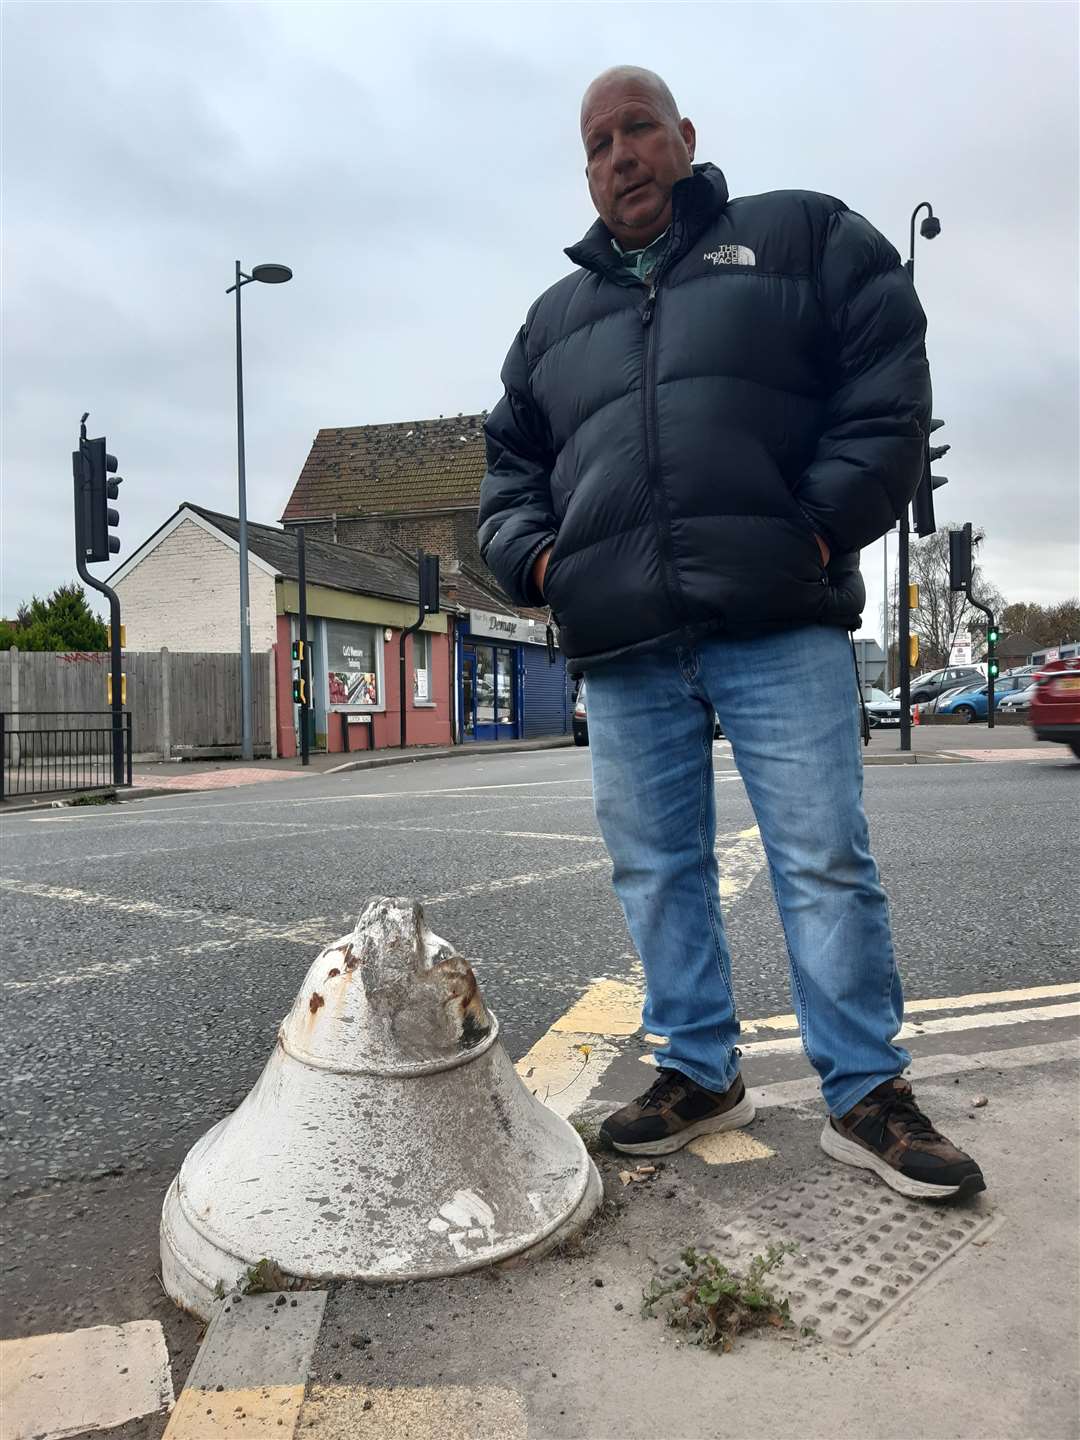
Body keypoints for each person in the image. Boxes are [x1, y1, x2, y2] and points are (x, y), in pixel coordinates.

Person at [478, 66, 983, 1200]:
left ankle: (866, 1093)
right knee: (659, 870)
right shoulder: (555, 322)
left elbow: (888, 383)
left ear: (685, 136)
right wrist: (549, 566)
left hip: (776, 618)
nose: (620, 154)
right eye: (598, 141)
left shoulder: (800, 237)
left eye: (638, 128)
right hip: (627, 648)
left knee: (822, 860)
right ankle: (698, 1073)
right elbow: (506, 470)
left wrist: (810, 535)